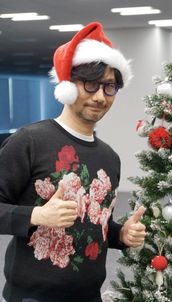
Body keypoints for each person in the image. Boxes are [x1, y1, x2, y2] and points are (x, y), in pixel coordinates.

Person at [0, 21, 146, 302]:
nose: (100, 96)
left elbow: (94, 225)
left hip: (89, 295)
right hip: (32, 296)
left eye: (109, 87)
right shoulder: (29, 141)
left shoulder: (109, 157)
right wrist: (37, 215)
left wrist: (121, 235)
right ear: (68, 85)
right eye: (90, 84)